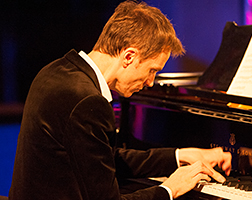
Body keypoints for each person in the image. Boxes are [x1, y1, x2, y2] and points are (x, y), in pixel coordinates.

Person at [9, 1, 232, 200]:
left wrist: (178, 156)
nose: (150, 82)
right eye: (152, 70)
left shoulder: (56, 71)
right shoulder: (86, 101)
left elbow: (102, 158)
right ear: (129, 56)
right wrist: (170, 189)